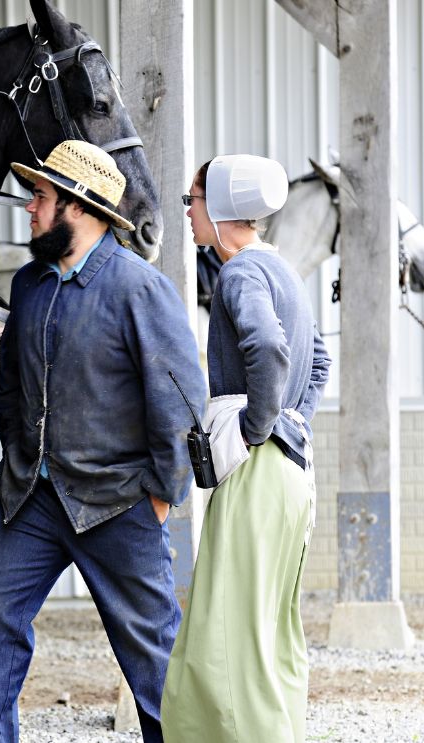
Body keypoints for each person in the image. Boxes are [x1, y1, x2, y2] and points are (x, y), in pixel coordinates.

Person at [0, 140, 206, 743]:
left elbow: (180, 404)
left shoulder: (140, 289)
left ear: (80, 207)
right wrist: (19, 454)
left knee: (152, 655)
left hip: (119, 502)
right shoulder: (33, 284)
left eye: (41, 198)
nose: (30, 210)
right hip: (30, 500)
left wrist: (163, 496)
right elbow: (9, 384)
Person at [160, 155, 331, 743]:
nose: (187, 212)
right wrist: (291, 423)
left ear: (223, 204)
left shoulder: (237, 275)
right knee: (272, 634)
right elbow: (319, 361)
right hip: (292, 474)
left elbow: (267, 349)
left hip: (258, 472)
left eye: (193, 200)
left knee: (227, 639)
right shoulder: (286, 273)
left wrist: (258, 427)